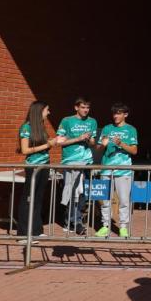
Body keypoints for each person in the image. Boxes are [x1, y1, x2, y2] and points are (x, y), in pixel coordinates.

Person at [17, 101, 60, 242]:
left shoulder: (41, 127)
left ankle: (36, 229)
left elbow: (45, 144)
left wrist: (55, 141)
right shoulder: (26, 127)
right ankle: (23, 234)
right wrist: (47, 144)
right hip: (33, 167)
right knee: (28, 199)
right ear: (39, 111)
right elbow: (25, 150)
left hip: (44, 166)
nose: (49, 113)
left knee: (38, 198)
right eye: (47, 110)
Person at [95, 103, 138, 238]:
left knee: (124, 200)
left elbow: (134, 150)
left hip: (124, 170)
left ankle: (123, 227)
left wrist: (121, 144)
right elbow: (98, 149)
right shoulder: (107, 128)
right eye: (114, 113)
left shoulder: (131, 129)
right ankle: (105, 226)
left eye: (119, 113)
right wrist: (102, 145)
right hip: (106, 169)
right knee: (105, 199)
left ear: (125, 114)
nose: (115, 116)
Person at [56, 97, 97, 235]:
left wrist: (90, 140)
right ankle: (76, 222)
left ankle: (72, 221)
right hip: (70, 162)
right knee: (71, 192)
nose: (86, 110)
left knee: (82, 194)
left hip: (86, 162)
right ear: (76, 108)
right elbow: (59, 142)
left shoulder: (92, 122)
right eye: (83, 107)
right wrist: (78, 138)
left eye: (87, 108)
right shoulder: (66, 121)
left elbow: (93, 143)